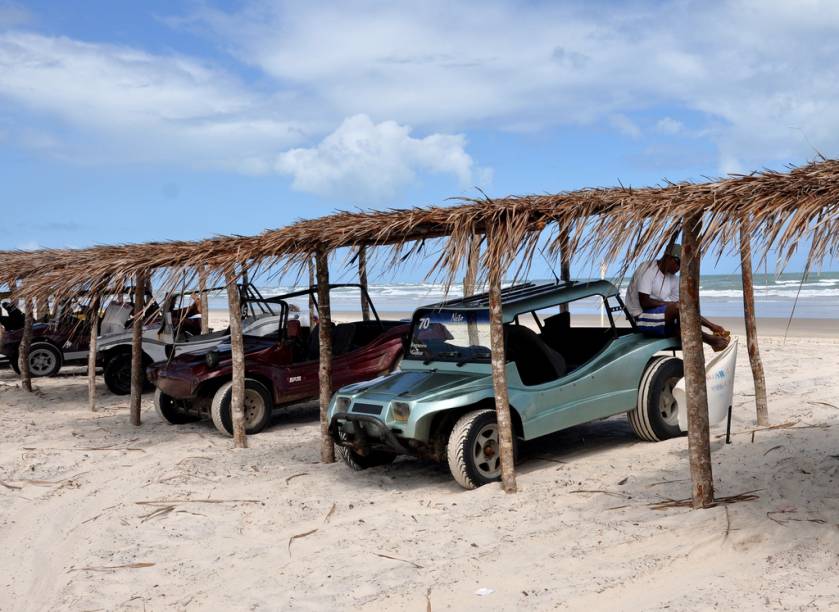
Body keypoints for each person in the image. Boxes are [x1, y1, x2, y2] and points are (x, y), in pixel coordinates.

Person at [624, 244, 730, 351]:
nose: (679, 268)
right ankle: (711, 341)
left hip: (659, 314)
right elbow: (645, 302)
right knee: (678, 309)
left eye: (682, 266)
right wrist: (672, 305)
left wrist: (712, 326)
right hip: (640, 317)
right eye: (678, 263)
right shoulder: (648, 269)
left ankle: (711, 338)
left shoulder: (673, 278)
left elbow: (684, 307)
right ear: (668, 257)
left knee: (683, 313)